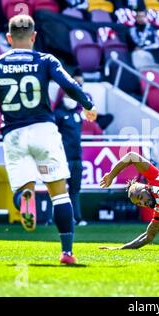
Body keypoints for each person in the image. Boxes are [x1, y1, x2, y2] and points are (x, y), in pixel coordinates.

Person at [0, 15, 97, 265]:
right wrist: (88, 105)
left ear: (9, 38)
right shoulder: (45, 60)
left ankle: (24, 200)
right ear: (34, 36)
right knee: (60, 194)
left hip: (14, 135)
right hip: (44, 130)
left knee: (23, 188)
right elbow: (69, 84)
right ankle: (67, 252)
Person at [54, 68, 114, 226]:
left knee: (75, 190)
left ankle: (77, 217)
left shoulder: (77, 115)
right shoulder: (58, 114)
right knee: (58, 190)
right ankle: (53, 218)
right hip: (62, 157)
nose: (69, 98)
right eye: (67, 95)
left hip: (76, 157)